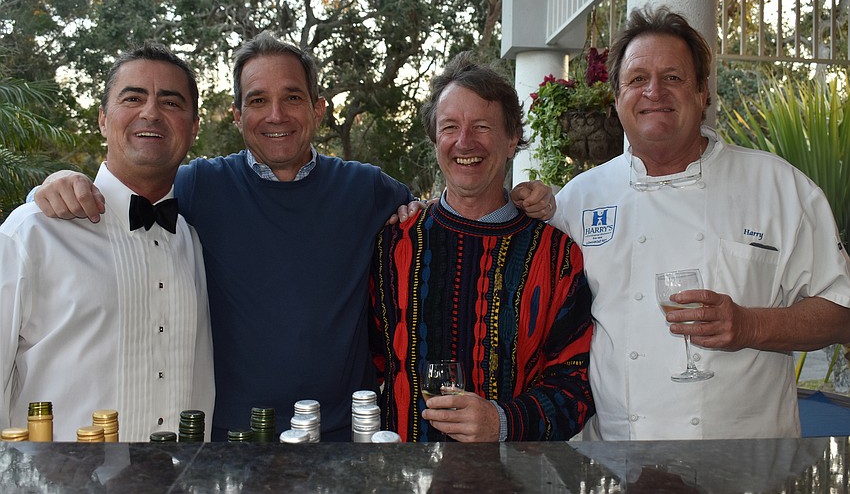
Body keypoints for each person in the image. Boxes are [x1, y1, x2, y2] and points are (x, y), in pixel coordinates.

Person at [31, 32, 556, 441]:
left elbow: (454, 210)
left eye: (292, 97)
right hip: (232, 442)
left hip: (346, 439)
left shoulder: (368, 189)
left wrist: (529, 199)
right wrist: (61, 182)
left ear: (318, 108)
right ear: (237, 115)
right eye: (258, 100)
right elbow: (131, 191)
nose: (276, 115)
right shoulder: (198, 187)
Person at [549, 6, 850, 440]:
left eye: (673, 77)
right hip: (618, 459)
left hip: (746, 461)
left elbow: (841, 311)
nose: (654, 91)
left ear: (702, 92)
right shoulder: (579, 199)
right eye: (637, 79)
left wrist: (750, 326)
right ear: (616, 98)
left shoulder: (778, 186)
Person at [370, 52, 594, 442]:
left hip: (513, 471)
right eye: (450, 127)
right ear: (435, 140)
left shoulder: (556, 257)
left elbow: (576, 384)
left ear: (512, 140)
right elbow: (363, 365)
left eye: (482, 126)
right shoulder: (393, 246)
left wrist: (502, 421)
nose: (464, 141)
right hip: (404, 469)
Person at [0, 43, 215, 441]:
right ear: (102, 119)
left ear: (194, 126)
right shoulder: (32, 233)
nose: (151, 112)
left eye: (171, 102)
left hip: (184, 471)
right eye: (133, 98)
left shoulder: (195, 242)